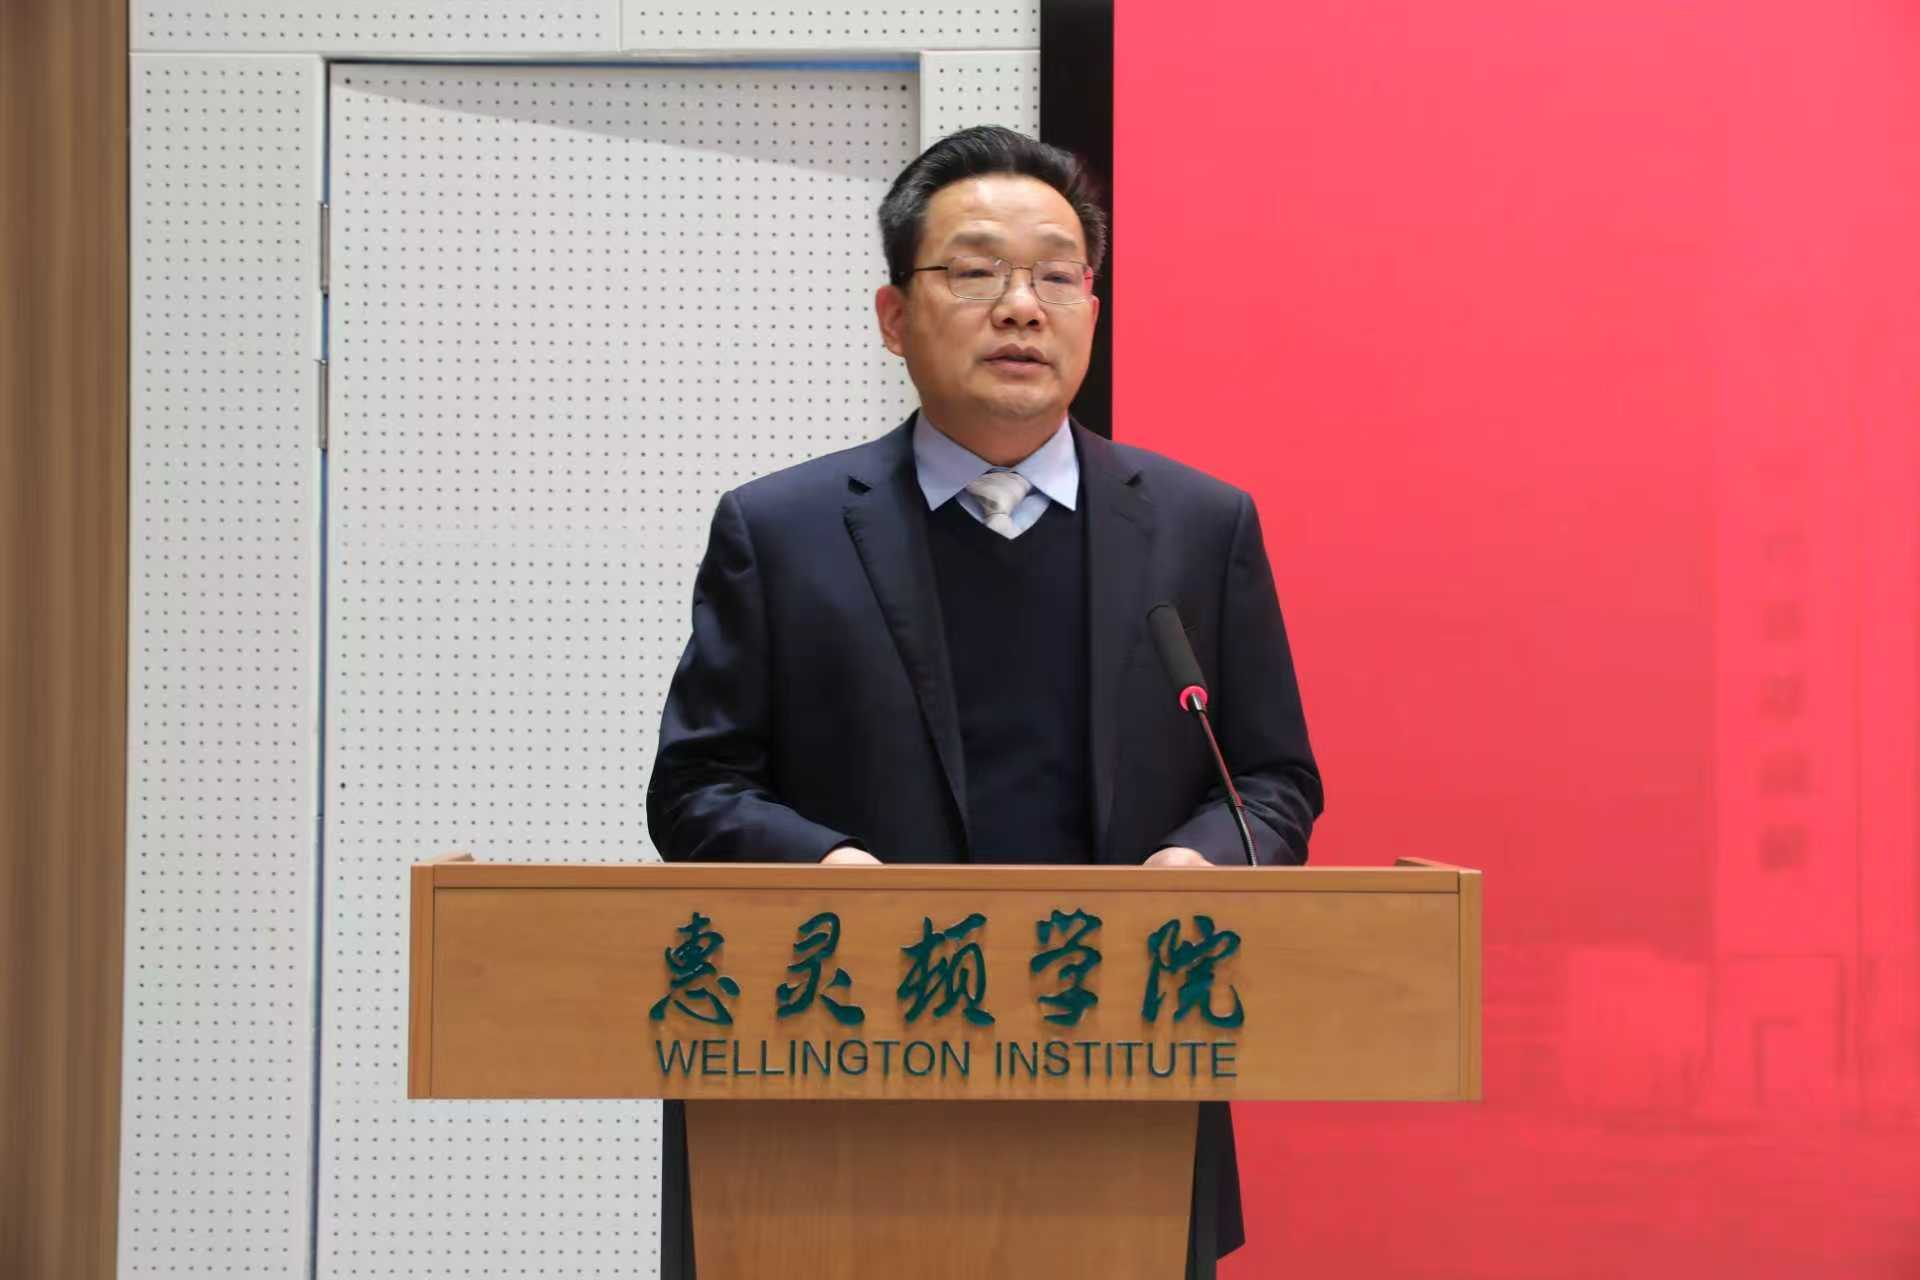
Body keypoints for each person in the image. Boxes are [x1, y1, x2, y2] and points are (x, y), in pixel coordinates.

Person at [645, 125, 1322, 1278]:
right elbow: (697, 786)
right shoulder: (783, 529)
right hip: (839, 1089)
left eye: (1057, 275)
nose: (1021, 307)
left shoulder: (1200, 527)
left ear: (1092, 309)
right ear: (893, 315)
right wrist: (832, 868)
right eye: (975, 272)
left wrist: (1203, 860)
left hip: (1121, 1084)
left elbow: (1270, 776)